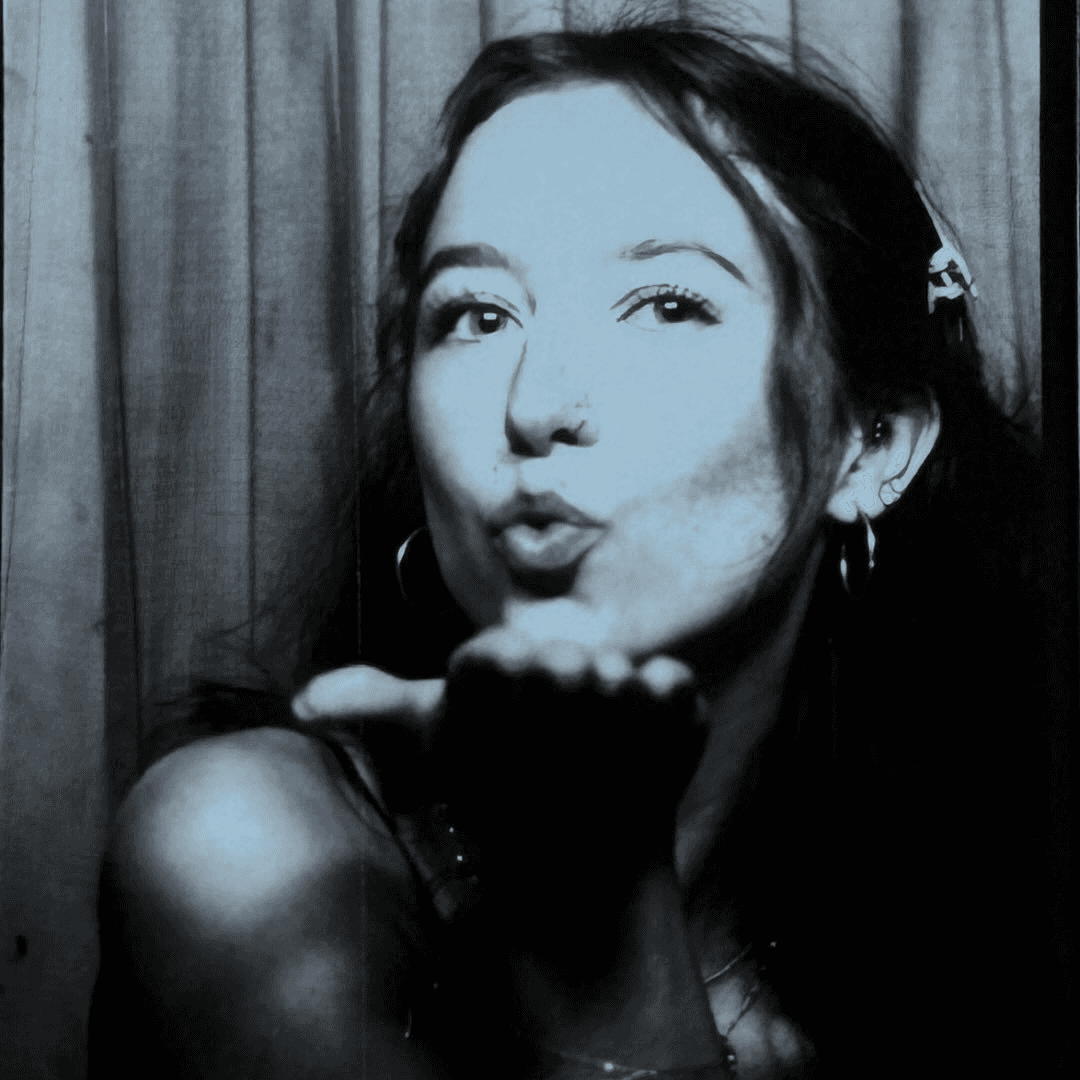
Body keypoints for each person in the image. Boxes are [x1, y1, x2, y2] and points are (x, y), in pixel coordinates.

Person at [89, 19, 1050, 1080]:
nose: (534, 404)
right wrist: (605, 909)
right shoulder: (251, 854)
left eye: (669, 305)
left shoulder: (985, 915)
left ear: (870, 445)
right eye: (476, 314)